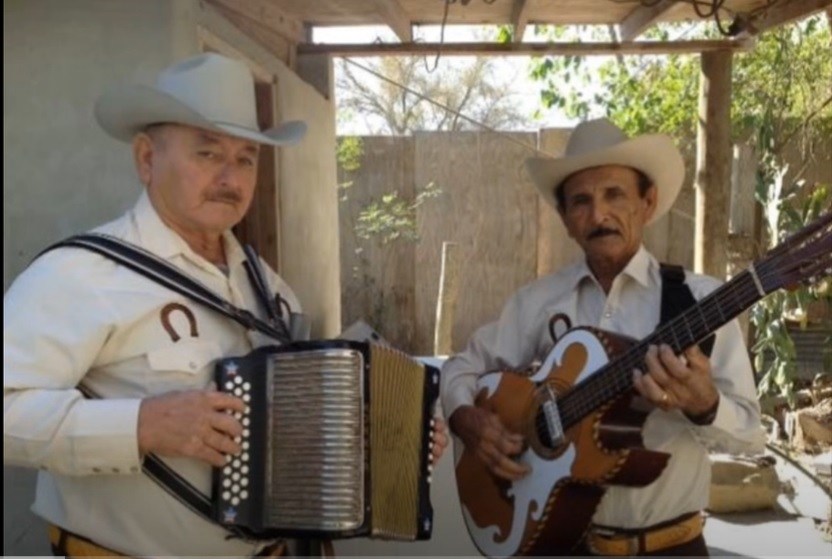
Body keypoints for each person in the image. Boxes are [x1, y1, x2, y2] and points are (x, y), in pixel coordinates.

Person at [4, 53, 447, 557]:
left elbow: (297, 436)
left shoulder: (272, 290)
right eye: (207, 154)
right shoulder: (81, 274)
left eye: (246, 159)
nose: (230, 179)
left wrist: (390, 441)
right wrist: (141, 425)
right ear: (147, 159)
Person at [441, 118, 763, 556]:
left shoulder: (700, 303)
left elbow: (749, 436)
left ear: (646, 203)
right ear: (566, 219)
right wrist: (468, 420)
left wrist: (704, 405)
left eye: (614, 195)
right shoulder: (537, 303)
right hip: (562, 543)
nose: (598, 215)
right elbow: (462, 366)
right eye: (581, 202)